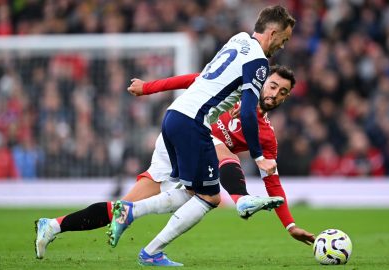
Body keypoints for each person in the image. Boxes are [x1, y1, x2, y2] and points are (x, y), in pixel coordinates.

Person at [34, 65, 315, 261]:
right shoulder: (240, 86)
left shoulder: (267, 136)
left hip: (187, 151)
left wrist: (290, 226)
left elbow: (273, 181)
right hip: (186, 134)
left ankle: (53, 225)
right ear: (264, 82)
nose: (275, 93)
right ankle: (240, 200)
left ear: (286, 97)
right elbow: (191, 80)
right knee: (213, 183)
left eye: (282, 91)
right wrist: (147, 88)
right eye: (273, 85)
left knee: (124, 207)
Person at [107, 5, 295, 266]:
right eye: (283, 40)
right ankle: (139, 229)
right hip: (194, 122)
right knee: (209, 198)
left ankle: (140, 226)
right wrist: (258, 156)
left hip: (174, 115)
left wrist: (148, 87)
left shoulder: (238, 40)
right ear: (273, 33)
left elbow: (199, 78)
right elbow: (249, 113)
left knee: (194, 192)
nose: (282, 46)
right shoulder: (259, 62)